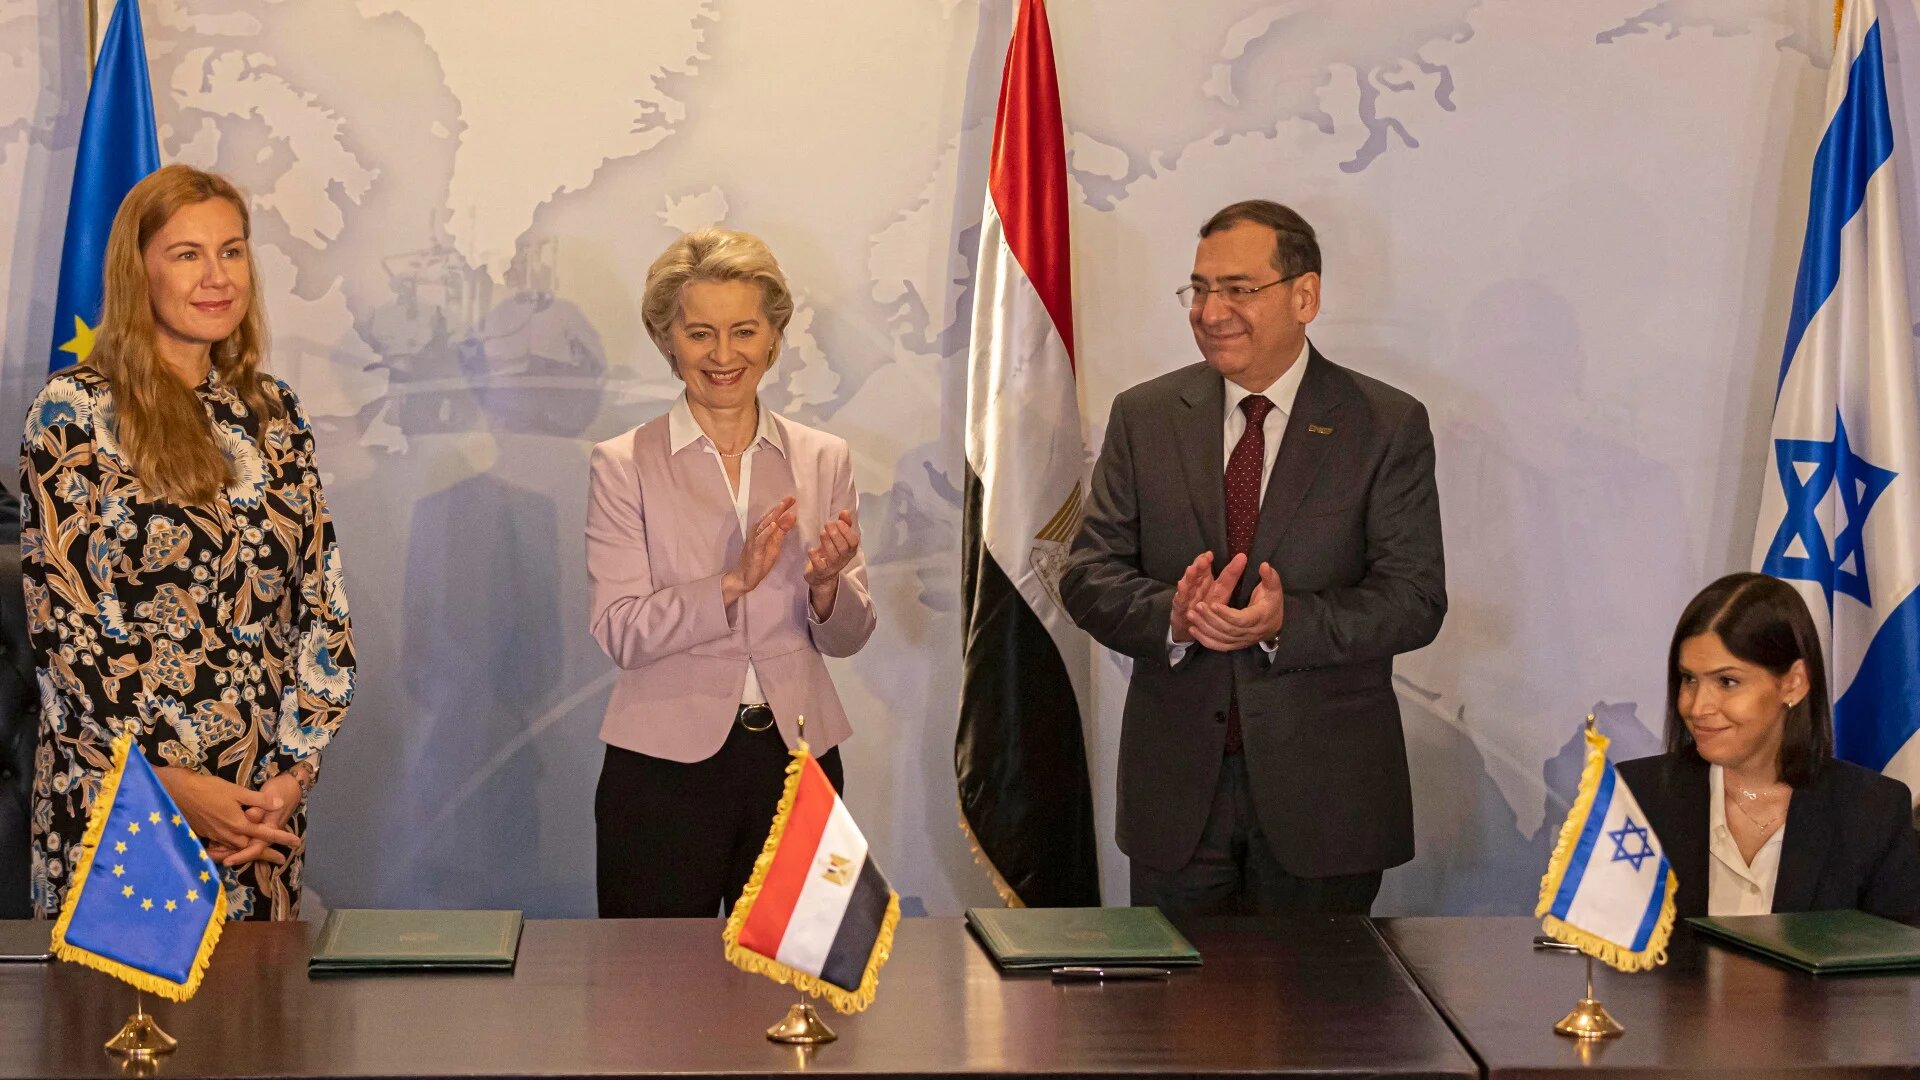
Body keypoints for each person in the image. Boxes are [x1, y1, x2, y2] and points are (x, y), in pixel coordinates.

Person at [1060, 199, 1446, 916]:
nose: (1211, 311)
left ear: (1306, 296)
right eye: (1199, 289)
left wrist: (1282, 622)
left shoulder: (1385, 425)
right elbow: (1089, 574)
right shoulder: (1144, 417)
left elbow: (1414, 598)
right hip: (1177, 801)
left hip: (1325, 800)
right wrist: (1174, 618)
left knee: (1320, 1023)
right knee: (1175, 1024)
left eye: (1238, 289)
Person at [20, 164, 355, 921]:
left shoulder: (272, 412)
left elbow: (321, 607)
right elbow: (68, 635)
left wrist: (290, 778)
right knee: (118, 1039)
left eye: (232, 252)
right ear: (137, 273)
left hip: (255, 817)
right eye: (187, 254)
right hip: (123, 805)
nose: (217, 277)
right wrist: (172, 786)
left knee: (253, 1036)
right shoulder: (75, 413)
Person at [587, 227, 875, 918]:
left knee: (803, 999)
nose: (723, 356)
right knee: (654, 1006)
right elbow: (619, 630)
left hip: (798, 761)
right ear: (667, 339)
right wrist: (730, 584)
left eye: (744, 331)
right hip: (660, 772)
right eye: (699, 334)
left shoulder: (823, 457)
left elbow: (849, 638)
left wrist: (829, 586)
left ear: (773, 337)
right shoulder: (622, 463)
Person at [1619, 572, 1920, 923]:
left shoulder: (1872, 812)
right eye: (1689, 679)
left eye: (1727, 681)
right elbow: (1593, 950)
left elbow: (1897, 969)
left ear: (1793, 684)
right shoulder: (1637, 796)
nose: (1698, 706)